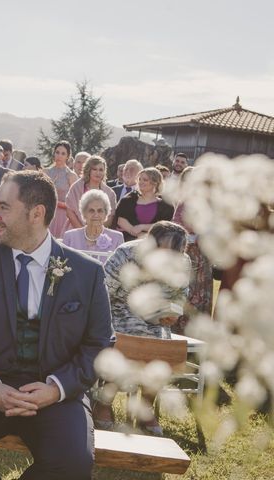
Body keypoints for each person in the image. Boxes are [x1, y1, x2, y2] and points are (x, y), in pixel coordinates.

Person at [0, 170, 114, 479]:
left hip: (54, 393)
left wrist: (55, 389)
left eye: (3, 207)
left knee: (73, 463)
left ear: (36, 213)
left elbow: (99, 344)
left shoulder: (87, 272)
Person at [96, 221, 189, 434]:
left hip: (157, 318)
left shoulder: (182, 262)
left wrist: (173, 312)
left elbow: (181, 294)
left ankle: (146, 406)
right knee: (127, 341)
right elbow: (101, 292)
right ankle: (104, 403)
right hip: (119, 310)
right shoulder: (125, 254)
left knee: (162, 347)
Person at [171, 166, 213, 335]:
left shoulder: (208, 202)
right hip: (186, 252)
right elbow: (176, 225)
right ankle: (179, 329)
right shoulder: (182, 202)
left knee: (201, 293)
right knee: (184, 290)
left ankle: (198, 332)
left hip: (203, 254)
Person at [115, 167, 175, 242]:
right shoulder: (128, 199)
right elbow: (120, 219)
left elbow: (164, 225)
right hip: (127, 241)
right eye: (139, 179)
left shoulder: (166, 206)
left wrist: (142, 227)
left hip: (154, 244)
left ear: (155, 183)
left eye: (145, 180)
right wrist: (139, 235)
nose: (141, 182)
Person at [62, 190, 124, 262]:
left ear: (106, 214)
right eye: (91, 211)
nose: (96, 215)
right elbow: (63, 265)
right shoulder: (70, 237)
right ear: (84, 214)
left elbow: (120, 268)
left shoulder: (117, 238)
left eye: (100, 211)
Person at [65, 155, 117, 232]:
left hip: (99, 233)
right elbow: (70, 211)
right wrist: (82, 231)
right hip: (75, 230)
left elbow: (110, 217)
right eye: (94, 169)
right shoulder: (76, 188)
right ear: (88, 170)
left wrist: (95, 230)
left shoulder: (110, 193)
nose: (98, 173)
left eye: (101, 170)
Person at [43, 141, 79, 238]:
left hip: (62, 215)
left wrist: (57, 203)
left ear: (67, 156)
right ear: (54, 153)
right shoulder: (45, 172)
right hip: (45, 212)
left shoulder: (71, 175)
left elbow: (74, 202)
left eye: (63, 153)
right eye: (57, 152)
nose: (59, 156)